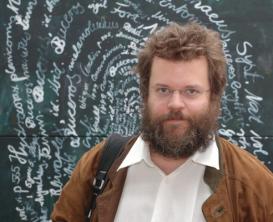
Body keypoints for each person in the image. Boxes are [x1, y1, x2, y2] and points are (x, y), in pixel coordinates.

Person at [51, 22, 273, 222]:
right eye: (163, 90)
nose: (175, 104)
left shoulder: (255, 187)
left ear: (213, 96)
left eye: (191, 91)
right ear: (146, 93)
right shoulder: (99, 165)